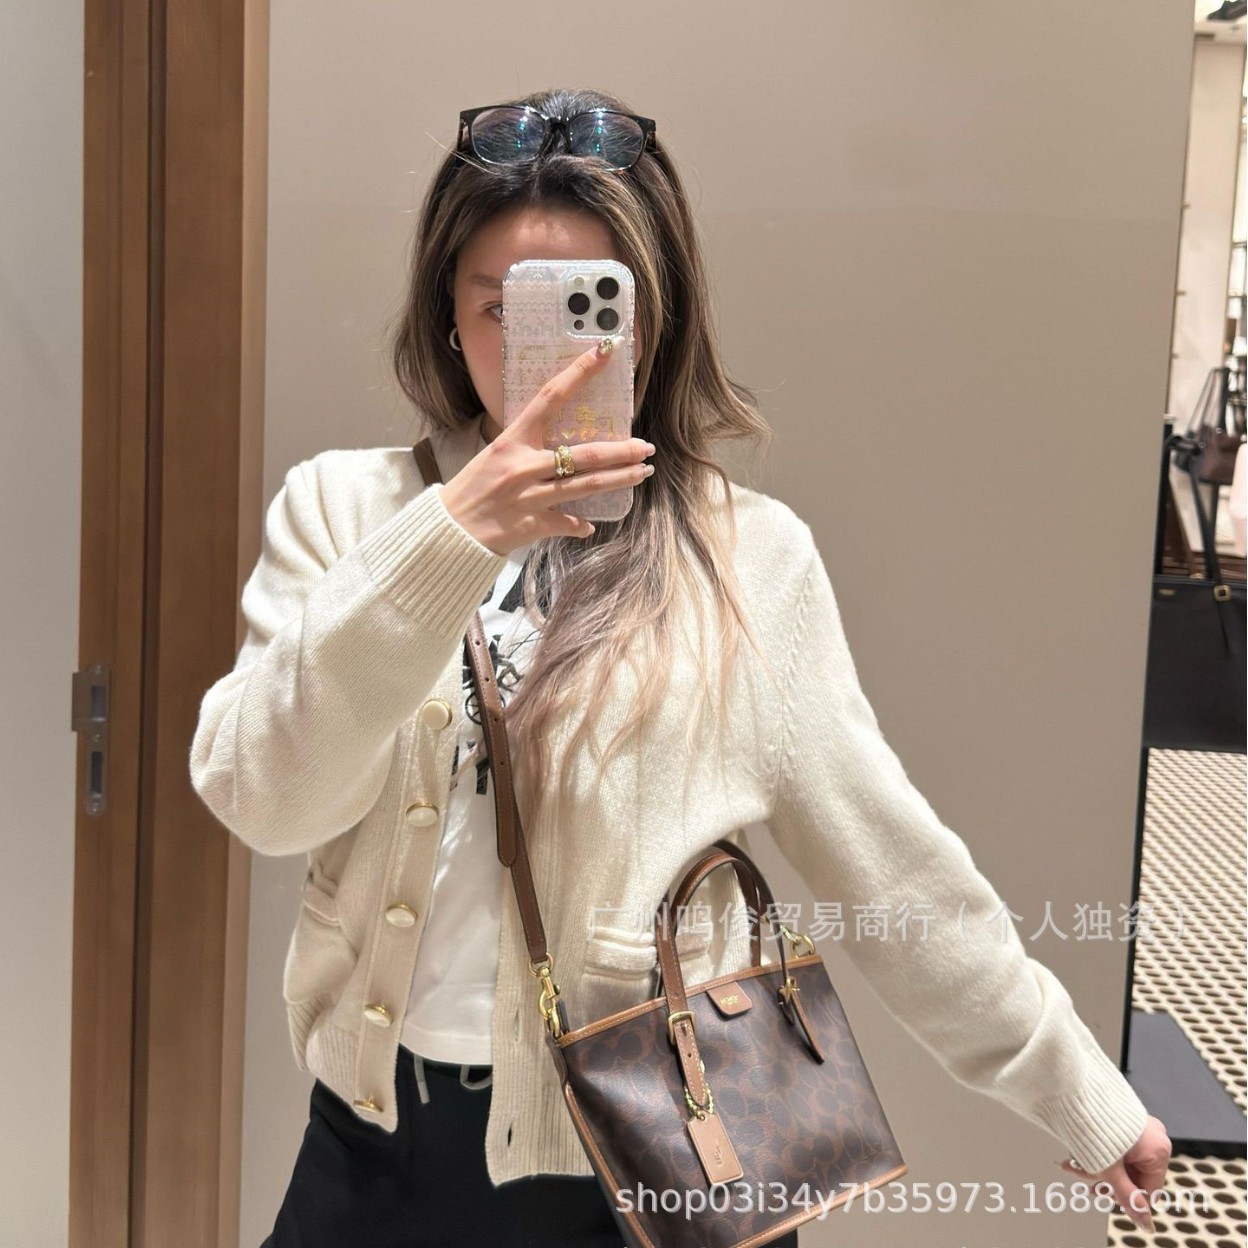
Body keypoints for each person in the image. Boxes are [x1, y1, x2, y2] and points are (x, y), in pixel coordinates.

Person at [189, 87, 1172, 1247]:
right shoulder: (344, 513)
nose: (545, 352)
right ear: (448, 314)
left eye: (587, 310)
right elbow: (265, 797)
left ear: (652, 321)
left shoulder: (747, 558)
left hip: (655, 1158)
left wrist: (1074, 1087)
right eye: (502, 306)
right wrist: (454, 538)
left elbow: (889, 869)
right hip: (376, 1151)